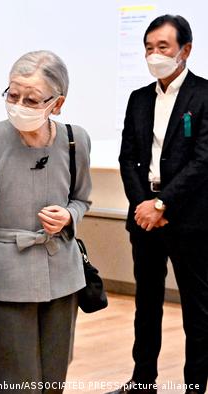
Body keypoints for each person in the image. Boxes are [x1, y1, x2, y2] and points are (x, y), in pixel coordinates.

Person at [0, 50, 91, 394]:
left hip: (64, 277)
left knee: (54, 381)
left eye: (31, 99)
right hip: (7, 278)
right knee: (17, 383)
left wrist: (69, 215)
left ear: (58, 102)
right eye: (12, 94)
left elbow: (82, 199)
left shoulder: (75, 139)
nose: (18, 104)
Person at [114, 15, 208, 394]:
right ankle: (142, 382)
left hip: (190, 220)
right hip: (144, 219)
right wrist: (143, 205)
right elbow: (127, 157)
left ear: (185, 50)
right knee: (146, 305)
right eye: (149, 48)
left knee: (199, 311)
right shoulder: (138, 98)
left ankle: (195, 387)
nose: (155, 55)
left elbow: (204, 160)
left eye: (163, 47)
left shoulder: (204, 96)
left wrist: (163, 204)